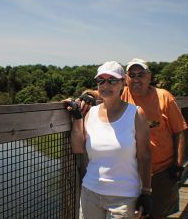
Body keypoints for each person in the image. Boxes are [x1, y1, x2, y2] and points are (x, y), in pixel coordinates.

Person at [79, 58, 188, 219]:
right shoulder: (124, 94)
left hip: (162, 171)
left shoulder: (164, 97)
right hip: (133, 174)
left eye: (141, 75)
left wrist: (178, 164)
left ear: (149, 77)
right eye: (132, 75)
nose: (136, 79)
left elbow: (179, 131)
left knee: (159, 213)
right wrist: (87, 95)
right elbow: (105, 89)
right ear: (126, 79)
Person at [64, 61, 152, 219]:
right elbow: (78, 148)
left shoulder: (136, 114)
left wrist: (146, 192)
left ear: (123, 83)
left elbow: (144, 156)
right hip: (90, 192)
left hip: (124, 197)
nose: (106, 85)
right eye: (101, 81)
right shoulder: (91, 113)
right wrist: (77, 118)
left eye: (112, 80)